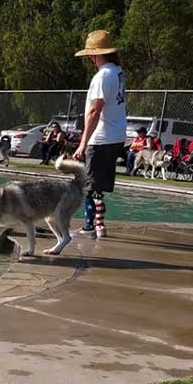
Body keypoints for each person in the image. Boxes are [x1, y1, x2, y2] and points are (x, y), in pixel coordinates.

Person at [72, 30, 127, 240]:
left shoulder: (103, 75)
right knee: (99, 185)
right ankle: (99, 225)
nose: (90, 60)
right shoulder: (117, 72)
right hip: (115, 135)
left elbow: (95, 110)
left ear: (96, 55)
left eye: (90, 56)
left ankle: (90, 227)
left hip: (101, 137)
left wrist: (83, 143)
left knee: (89, 185)